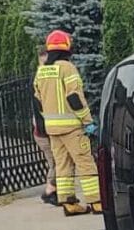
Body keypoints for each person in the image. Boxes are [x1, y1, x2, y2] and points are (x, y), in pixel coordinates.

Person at [33, 30, 101, 216]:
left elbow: (38, 101)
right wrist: (87, 121)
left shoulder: (42, 71)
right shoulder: (67, 67)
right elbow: (74, 97)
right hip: (72, 127)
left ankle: (69, 203)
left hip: (53, 129)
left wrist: (49, 119)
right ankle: (96, 201)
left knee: (63, 166)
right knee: (85, 162)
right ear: (66, 48)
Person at [32, 48, 57, 206]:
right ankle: (49, 191)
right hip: (44, 132)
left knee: (56, 162)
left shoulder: (40, 80)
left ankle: (53, 190)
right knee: (56, 162)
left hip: (45, 130)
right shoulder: (40, 81)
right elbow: (40, 110)